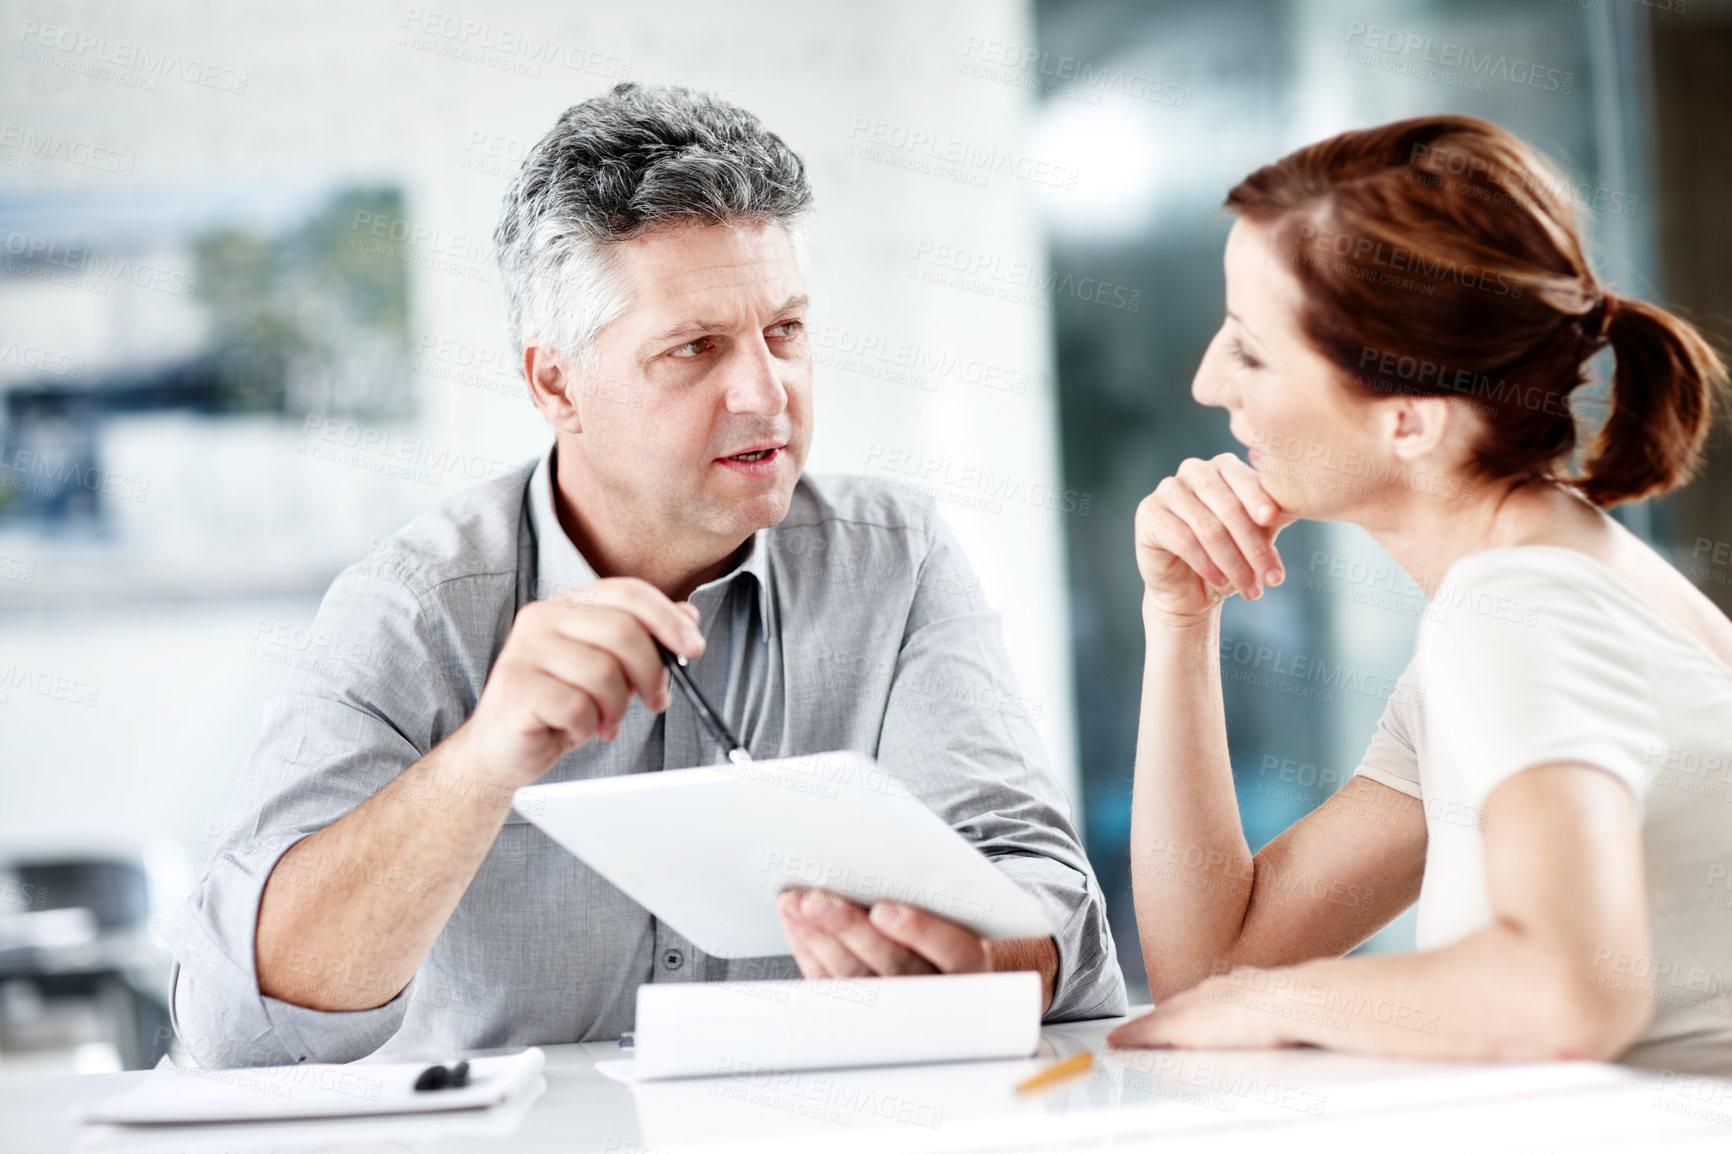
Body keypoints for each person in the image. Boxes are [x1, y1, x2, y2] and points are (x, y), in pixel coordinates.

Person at [165, 83, 1124, 1068]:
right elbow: (234, 1027)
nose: (764, 392)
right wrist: (485, 757)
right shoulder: (413, 608)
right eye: (693, 348)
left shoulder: (897, 558)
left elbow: (1050, 903)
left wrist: (982, 960)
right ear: (556, 382)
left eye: (784, 330)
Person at [1107, 115, 1732, 1076]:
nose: (1205, 382)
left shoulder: (1518, 608)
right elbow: (1212, 969)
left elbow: (1566, 996)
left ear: (1407, 418)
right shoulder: (1528, 587)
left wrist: (1276, 1002)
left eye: (1252, 351)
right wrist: (1180, 617)